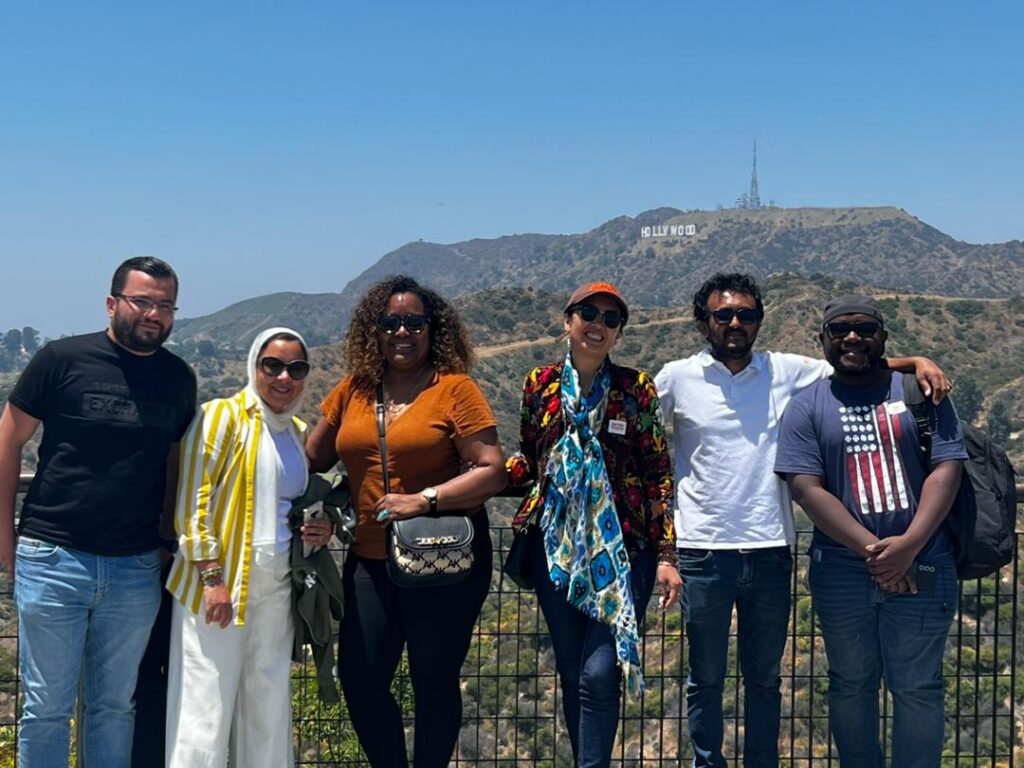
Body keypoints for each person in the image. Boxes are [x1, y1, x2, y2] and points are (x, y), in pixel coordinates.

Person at [653, 273, 950, 768]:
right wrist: (665, 547)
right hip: (701, 551)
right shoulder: (675, 377)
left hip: (771, 548)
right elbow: (638, 433)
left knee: (764, 678)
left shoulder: (787, 370)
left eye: (746, 315)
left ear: (759, 321)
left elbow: (854, 359)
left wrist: (917, 362)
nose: (734, 323)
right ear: (703, 323)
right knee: (704, 678)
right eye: (723, 315)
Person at [0, 257, 196, 767]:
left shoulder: (178, 379)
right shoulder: (60, 359)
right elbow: (7, 442)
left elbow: (176, 466)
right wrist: (4, 539)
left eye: (165, 305)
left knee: (115, 707)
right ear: (113, 303)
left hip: (135, 567)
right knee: (46, 708)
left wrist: (168, 544)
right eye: (143, 301)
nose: (154, 313)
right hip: (53, 556)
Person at [306, 275, 507, 768]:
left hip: (444, 559)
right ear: (372, 331)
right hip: (370, 560)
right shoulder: (351, 391)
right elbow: (308, 460)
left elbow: (492, 470)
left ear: (431, 329)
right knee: (361, 679)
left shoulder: (455, 389)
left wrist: (425, 499)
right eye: (390, 322)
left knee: (433, 684)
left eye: (414, 322)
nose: (402, 331)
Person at [775, 296, 964, 768]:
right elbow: (805, 487)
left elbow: (947, 468)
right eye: (839, 330)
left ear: (883, 337)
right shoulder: (806, 407)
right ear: (823, 340)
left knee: (918, 687)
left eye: (864, 328)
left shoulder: (921, 393)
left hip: (924, 563)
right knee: (850, 685)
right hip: (842, 570)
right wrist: (879, 553)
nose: (852, 338)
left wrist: (910, 545)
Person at [506, 281, 682, 768]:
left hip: (625, 549)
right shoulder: (538, 384)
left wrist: (667, 555)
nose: (598, 325)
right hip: (556, 547)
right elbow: (530, 456)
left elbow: (657, 474)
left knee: (600, 673)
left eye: (610, 319)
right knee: (571, 670)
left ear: (619, 333)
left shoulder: (635, 389)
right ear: (568, 321)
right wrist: (476, 474)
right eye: (589, 313)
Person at [164, 327, 333, 767]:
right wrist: (211, 579)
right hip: (218, 586)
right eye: (271, 365)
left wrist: (317, 527)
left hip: (277, 586)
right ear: (254, 365)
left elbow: (290, 505)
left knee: (269, 703)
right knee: (205, 706)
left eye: (296, 368)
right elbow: (192, 502)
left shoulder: (296, 430)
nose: (284, 378)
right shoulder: (221, 416)